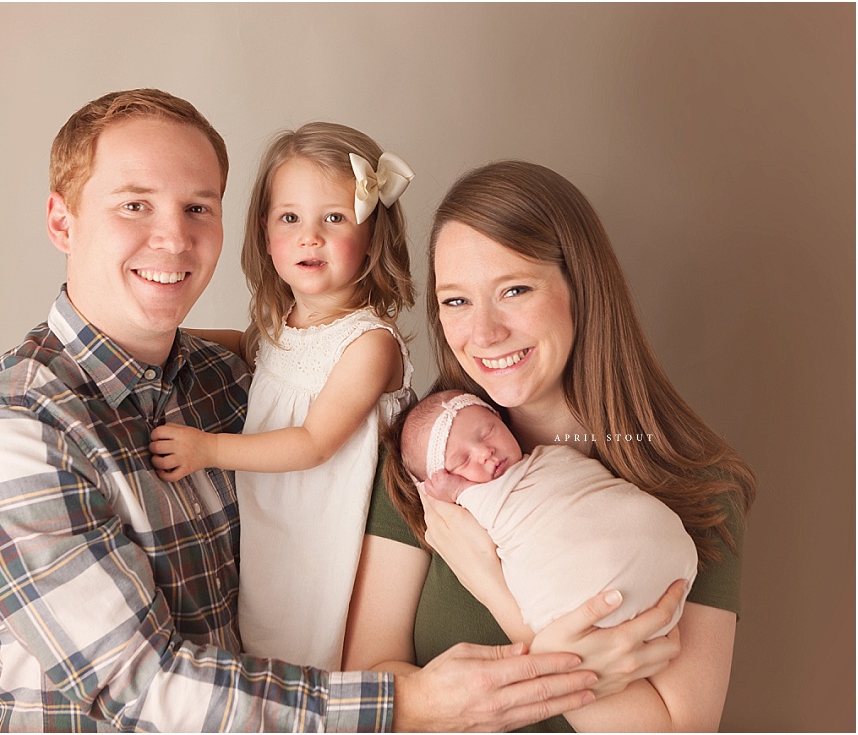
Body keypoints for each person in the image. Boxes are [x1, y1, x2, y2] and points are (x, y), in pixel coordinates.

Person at [0, 90, 606, 732]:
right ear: (61, 221)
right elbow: (142, 687)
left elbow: (301, 379)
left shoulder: (225, 384)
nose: (174, 236)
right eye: (134, 205)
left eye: (198, 207)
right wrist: (407, 703)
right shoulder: (14, 429)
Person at [344, 160, 756, 732]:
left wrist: (499, 594)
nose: (484, 334)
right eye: (456, 301)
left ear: (581, 289)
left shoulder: (696, 488)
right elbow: (368, 689)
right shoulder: (427, 458)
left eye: (514, 289)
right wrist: (585, 672)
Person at [148, 122, 417, 670]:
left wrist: (209, 449)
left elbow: (315, 443)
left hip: (330, 521)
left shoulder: (369, 343)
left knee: (315, 643)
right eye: (289, 218)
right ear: (265, 233)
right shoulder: (283, 322)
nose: (308, 236)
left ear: (373, 235)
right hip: (278, 519)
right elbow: (256, 348)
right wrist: (170, 335)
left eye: (334, 219)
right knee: (267, 640)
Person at [394, 388, 697, 637]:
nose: (484, 452)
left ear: (499, 419)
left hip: (659, 547)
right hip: (599, 596)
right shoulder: (475, 501)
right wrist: (457, 492)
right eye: (461, 461)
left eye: (487, 432)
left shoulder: (553, 456)